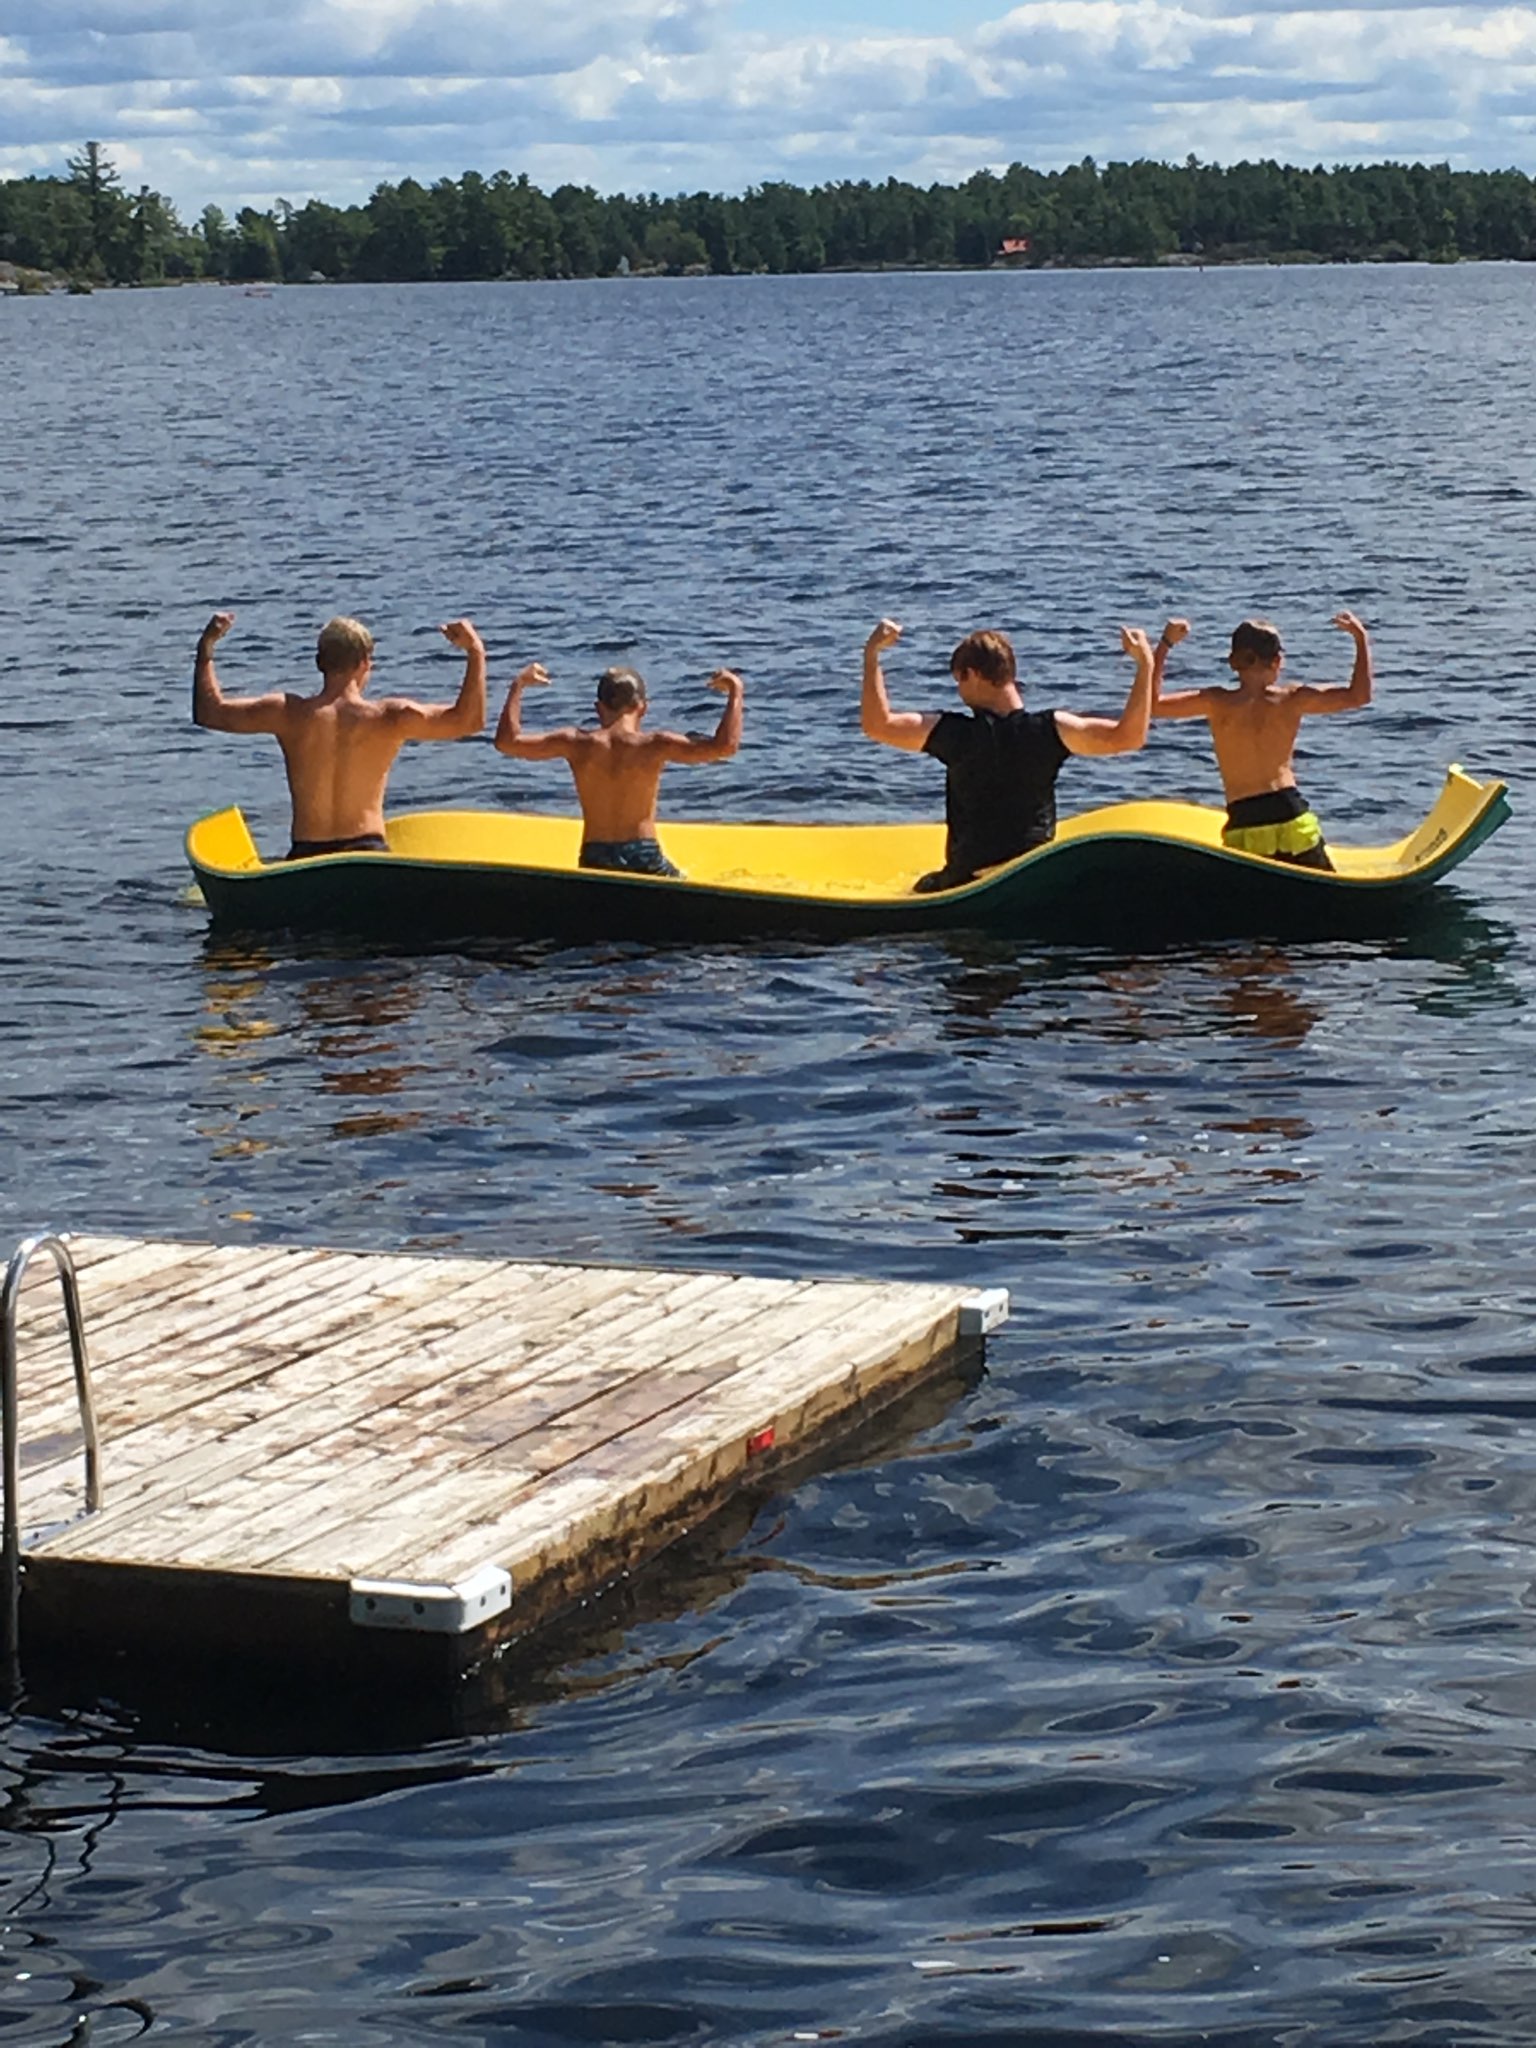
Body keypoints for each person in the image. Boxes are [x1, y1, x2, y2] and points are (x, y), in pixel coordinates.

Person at [860, 618, 1155, 893]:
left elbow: (877, 725)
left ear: (973, 675)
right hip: (1032, 871)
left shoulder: (954, 734)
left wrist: (872, 655)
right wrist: (1145, 665)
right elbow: (1128, 737)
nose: (959, 692)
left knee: (922, 887)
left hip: (971, 879)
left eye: (959, 681)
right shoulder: (1051, 730)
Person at [191, 611, 487, 860]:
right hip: (366, 853)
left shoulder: (286, 713)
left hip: (307, 857)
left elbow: (209, 713)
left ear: (320, 663)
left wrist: (206, 649)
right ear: (365, 663)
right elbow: (468, 721)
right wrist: (475, 651)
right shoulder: (389, 717)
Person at [1150, 612, 1373, 871]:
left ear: (1234, 662)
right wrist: (1360, 638)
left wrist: (1165, 644)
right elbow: (1359, 695)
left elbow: (1152, 704)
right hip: (1289, 813)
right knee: (1326, 889)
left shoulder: (1216, 702)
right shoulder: (1291, 699)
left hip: (1245, 820)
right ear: (1277, 661)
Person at [493, 662, 744, 878]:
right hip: (643, 855)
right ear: (643, 708)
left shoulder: (574, 742)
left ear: (598, 707)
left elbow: (506, 742)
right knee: (687, 879)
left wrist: (518, 685)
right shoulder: (654, 745)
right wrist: (735, 691)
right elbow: (725, 747)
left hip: (595, 855)